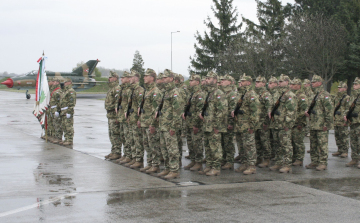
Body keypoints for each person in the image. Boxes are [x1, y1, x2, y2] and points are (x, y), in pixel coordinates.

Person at [155, 69, 184, 179]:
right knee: (164, 148)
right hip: (163, 125)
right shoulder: (166, 92)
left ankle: (174, 170)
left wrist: (173, 126)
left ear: (171, 79)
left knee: (172, 149)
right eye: (163, 78)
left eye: (165, 78)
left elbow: (177, 111)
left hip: (170, 126)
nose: (163, 80)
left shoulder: (175, 93)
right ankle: (167, 168)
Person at [199, 71, 227, 176]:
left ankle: (216, 167)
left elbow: (222, 110)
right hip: (206, 125)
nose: (206, 80)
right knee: (208, 147)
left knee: (215, 147)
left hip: (214, 126)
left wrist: (217, 125)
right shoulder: (208, 93)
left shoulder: (218, 93)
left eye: (209, 78)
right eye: (206, 78)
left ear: (215, 80)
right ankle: (209, 165)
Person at [269, 74, 297, 173]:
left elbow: (291, 111)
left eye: (281, 81)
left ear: (287, 82)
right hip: (276, 123)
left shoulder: (290, 95)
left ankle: (288, 164)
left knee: (286, 145)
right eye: (279, 82)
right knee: (277, 144)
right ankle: (279, 162)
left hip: (284, 124)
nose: (279, 83)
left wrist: (287, 124)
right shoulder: (279, 94)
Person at [232, 74, 259, 175]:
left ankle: (251, 165)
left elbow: (255, 112)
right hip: (239, 125)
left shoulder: (251, 95)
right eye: (240, 81)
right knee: (241, 146)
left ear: (248, 83)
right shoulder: (240, 94)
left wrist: (252, 126)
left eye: (243, 81)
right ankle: (244, 163)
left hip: (247, 125)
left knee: (249, 146)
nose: (241, 83)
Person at [305, 74, 333, 171]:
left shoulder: (325, 95)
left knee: (322, 144)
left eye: (314, 82)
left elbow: (329, 111)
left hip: (321, 125)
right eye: (311, 82)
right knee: (313, 144)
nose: (312, 83)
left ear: (320, 83)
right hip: (313, 124)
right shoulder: (313, 95)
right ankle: (315, 161)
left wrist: (327, 124)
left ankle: (323, 162)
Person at [137, 68, 161, 173]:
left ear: (152, 78)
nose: (144, 78)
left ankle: (155, 165)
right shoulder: (147, 91)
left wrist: (153, 124)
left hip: (151, 123)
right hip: (144, 122)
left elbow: (156, 110)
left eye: (146, 76)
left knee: (153, 145)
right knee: (147, 144)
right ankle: (150, 163)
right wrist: (140, 119)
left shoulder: (155, 91)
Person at [182, 74, 205, 171]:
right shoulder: (192, 94)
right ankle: (193, 160)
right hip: (189, 122)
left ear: (197, 82)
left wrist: (196, 124)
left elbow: (199, 111)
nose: (190, 82)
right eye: (190, 80)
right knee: (190, 143)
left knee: (197, 143)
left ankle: (198, 162)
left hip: (195, 123)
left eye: (192, 80)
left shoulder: (200, 94)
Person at [125, 70, 145, 169]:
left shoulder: (140, 90)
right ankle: (133, 158)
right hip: (131, 117)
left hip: (136, 118)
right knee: (132, 139)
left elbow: (140, 106)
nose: (129, 79)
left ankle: (139, 160)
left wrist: (139, 119)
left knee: (137, 140)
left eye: (131, 77)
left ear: (136, 78)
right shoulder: (132, 90)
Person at [219, 74, 238, 170]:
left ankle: (230, 161)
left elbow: (232, 110)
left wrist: (230, 122)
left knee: (228, 143)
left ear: (229, 82)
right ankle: (224, 159)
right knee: (222, 142)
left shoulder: (232, 94)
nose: (222, 81)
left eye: (224, 80)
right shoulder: (223, 93)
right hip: (222, 122)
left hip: (228, 122)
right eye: (221, 80)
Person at [254, 76, 273, 168]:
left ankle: (267, 159)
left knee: (265, 141)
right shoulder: (256, 94)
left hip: (263, 122)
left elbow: (269, 108)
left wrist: (266, 122)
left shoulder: (266, 94)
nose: (256, 83)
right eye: (256, 82)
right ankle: (259, 157)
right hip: (256, 122)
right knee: (257, 141)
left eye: (258, 82)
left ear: (263, 83)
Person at [290, 78, 308, 166]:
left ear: (299, 86)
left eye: (294, 85)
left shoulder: (301, 96)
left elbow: (304, 110)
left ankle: (299, 159)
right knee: (292, 141)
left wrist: (299, 121)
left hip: (299, 122)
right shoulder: (292, 95)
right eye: (291, 84)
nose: (292, 86)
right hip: (292, 123)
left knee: (298, 142)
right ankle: (294, 157)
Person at [104, 71, 122, 160]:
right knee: (111, 134)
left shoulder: (117, 89)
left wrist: (117, 116)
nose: (109, 79)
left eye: (110, 77)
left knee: (115, 134)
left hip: (114, 115)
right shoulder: (112, 88)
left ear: (115, 78)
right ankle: (113, 150)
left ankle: (117, 152)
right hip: (110, 115)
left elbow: (117, 104)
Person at [344, 77, 360, 168]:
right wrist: (345, 115)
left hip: (359, 122)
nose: (354, 86)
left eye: (356, 84)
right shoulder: (352, 96)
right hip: (352, 122)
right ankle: (354, 158)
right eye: (353, 84)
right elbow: (348, 107)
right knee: (353, 141)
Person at [332, 81, 350, 158]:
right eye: (338, 87)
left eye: (341, 87)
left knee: (344, 135)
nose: (339, 89)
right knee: (337, 135)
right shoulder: (336, 97)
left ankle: (345, 151)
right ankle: (339, 149)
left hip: (342, 119)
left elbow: (348, 108)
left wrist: (345, 115)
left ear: (345, 89)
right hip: (336, 119)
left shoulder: (347, 98)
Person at [59, 78, 76, 146]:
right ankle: (66, 139)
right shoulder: (65, 91)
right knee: (64, 126)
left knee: (68, 126)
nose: (65, 84)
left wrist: (69, 111)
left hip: (67, 110)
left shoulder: (71, 91)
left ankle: (69, 140)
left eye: (66, 82)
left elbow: (72, 102)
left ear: (69, 82)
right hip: (63, 110)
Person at [268, 76, 280, 160]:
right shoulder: (270, 93)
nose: (269, 85)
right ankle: (274, 155)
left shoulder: (278, 93)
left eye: (271, 83)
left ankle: (279, 158)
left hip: (278, 120)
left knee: (279, 141)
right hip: (272, 120)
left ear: (276, 84)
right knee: (273, 140)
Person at [50, 77, 63, 144]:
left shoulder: (58, 91)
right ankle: (56, 137)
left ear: (58, 82)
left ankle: (59, 138)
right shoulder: (54, 90)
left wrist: (56, 110)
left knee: (58, 124)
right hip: (53, 109)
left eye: (54, 82)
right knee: (55, 124)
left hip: (56, 110)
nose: (53, 83)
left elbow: (58, 102)